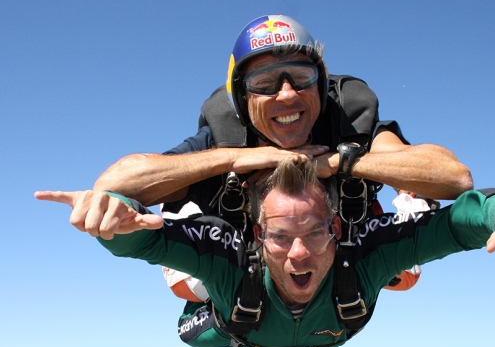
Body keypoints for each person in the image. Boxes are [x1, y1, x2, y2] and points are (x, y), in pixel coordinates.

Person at [35, 159, 495, 347]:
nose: (300, 251)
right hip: (233, 327)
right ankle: (190, 242)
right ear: (256, 235)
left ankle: (403, 207)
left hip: (333, 310)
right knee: (185, 315)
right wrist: (114, 221)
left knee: (409, 253)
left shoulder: (360, 256)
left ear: (336, 226)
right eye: (281, 235)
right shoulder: (230, 256)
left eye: (315, 231)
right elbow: (142, 239)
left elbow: (456, 221)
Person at [82, 15, 474, 295]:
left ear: (320, 86)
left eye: (301, 77)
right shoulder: (224, 135)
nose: (287, 94)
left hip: (337, 239)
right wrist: (234, 159)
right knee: (191, 291)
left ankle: (410, 208)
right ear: (242, 98)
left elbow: (454, 178)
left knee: (405, 276)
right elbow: (111, 185)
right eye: (264, 83)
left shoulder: (348, 120)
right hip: (252, 251)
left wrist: (338, 163)